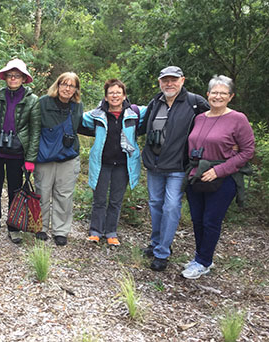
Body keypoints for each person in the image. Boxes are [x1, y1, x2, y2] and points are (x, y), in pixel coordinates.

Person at [181, 75, 254, 279]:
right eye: (214, 92)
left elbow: (247, 151)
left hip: (222, 179)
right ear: (208, 94)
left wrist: (218, 171)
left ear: (230, 96)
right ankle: (201, 257)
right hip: (197, 175)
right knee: (197, 219)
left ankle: (203, 262)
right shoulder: (200, 117)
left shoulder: (238, 119)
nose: (218, 96)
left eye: (223, 93)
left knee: (211, 220)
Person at [138, 66, 209, 271]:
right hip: (155, 164)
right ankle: (155, 243)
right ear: (160, 82)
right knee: (155, 205)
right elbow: (142, 126)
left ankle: (162, 253)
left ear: (182, 80)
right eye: (165, 80)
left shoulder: (195, 103)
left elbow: (214, 123)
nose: (169, 84)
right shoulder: (155, 102)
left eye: (173, 80)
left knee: (170, 207)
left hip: (178, 167)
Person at [0, 58, 41, 244]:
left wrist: (30, 159)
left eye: (17, 76)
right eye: (10, 75)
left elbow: (35, 131)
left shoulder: (32, 101)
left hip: (17, 153)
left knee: (15, 191)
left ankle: (14, 226)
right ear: (5, 77)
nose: (13, 79)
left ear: (24, 78)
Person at [84, 79, 143, 246]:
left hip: (123, 165)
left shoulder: (134, 114)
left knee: (116, 200)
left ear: (124, 95)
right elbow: (79, 120)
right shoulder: (96, 115)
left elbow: (153, 110)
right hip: (102, 163)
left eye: (118, 92)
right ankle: (95, 231)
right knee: (99, 199)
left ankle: (111, 232)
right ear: (106, 96)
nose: (115, 95)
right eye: (111, 93)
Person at [33, 72, 84, 246]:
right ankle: (40, 227)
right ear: (58, 84)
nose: (67, 88)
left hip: (68, 157)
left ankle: (60, 230)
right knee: (42, 192)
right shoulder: (43, 102)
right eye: (64, 84)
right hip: (45, 156)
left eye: (72, 85)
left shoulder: (77, 106)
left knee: (64, 194)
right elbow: (34, 129)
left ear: (76, 89)